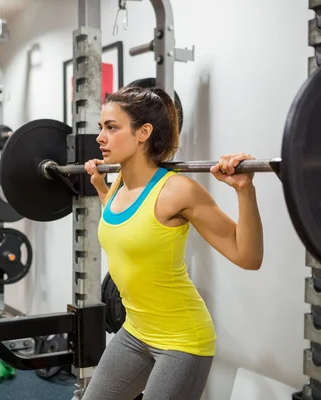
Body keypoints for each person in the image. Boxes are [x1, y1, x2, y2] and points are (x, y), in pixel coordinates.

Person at [81, 85, 264, 400]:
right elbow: (128, 230)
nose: (100, 137)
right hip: (135, 331)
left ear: (144, 132)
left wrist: (244, 190)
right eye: (101, 128)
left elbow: (247, 256)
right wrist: (100, 185)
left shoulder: (177, 191)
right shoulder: (119, 185)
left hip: (182, 340)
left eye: (111, 127)